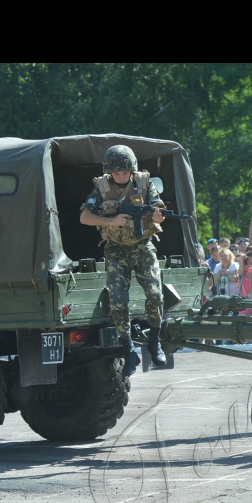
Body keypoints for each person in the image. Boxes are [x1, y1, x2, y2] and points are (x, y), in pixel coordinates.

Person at [79, 144, 167, 375]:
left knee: (156, 295)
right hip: (116, 249)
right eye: (116, 173)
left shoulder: (144, 182)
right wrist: (112, 221)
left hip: (142, 246)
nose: (120, 176)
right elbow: (84, 217)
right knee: (118, 301)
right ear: (109, 172)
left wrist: (158, 215)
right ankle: (129, 350)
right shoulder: (101, 187)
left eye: (124, 172)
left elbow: (159, 208)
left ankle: (154, 341)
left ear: (132, 169)